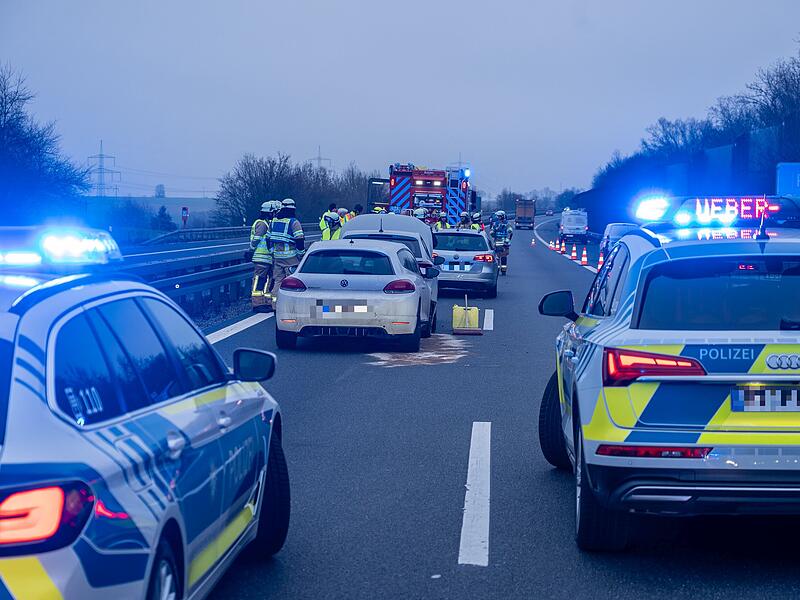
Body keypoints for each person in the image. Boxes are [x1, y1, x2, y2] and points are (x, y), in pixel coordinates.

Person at [268, 198, 305, 309]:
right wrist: (301, 255)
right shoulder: (294, 222)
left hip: (277, 257)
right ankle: (290, 306)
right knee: (291, 283)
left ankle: (275, 305)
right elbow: (299, 240)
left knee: (278, 281)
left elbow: (268, 238)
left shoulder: (274, 221)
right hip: (291, 258)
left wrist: (272, 252)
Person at [249, 200, 278, 311]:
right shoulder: (262, 224)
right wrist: (251, 249)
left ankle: (265, 302)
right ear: (268, 212)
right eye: (273, 212)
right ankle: (257, 304)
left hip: (266, 258)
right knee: (259, 280)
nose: (274, 214)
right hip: (261, 257)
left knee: (266, 281)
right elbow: (256, 239)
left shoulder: (266, 223)